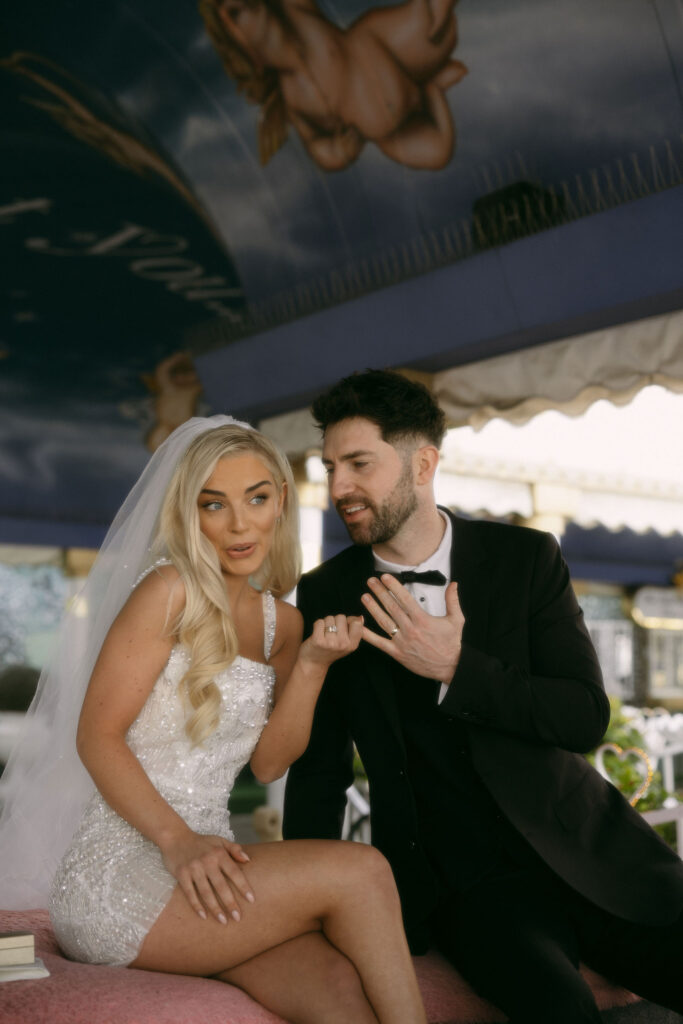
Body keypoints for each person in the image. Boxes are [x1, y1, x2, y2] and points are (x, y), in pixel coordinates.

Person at [283, 370, 683, 1024]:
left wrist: (456, 668)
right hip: (462, 887)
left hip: (588, 851)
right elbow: (319, 768)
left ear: (423, 462)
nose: (339, 489)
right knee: (557, 1010)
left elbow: (583, 715)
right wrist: (306, 905)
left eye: (358, 464)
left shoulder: (525, 558)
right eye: (329, 468)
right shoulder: (325, 592)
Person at [0, 415, 426, 1024]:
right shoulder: (167, 591)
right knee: (362, 870)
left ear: (281, 499)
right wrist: (178, 844)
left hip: (213, 864)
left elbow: (271, 761)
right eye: (214, 504)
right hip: (124, 872)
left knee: (337, 991)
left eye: (256, 498)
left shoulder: (285, 623)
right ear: (190, 513)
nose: (238, 524)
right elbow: (97, 737)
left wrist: (311, 667)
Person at [200, 0, 467, 170]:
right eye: (234, 13)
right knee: (437, 150)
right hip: (387, 128)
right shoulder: (293, 98)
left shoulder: (296, 10)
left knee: (435, 25)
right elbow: (315, 144)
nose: (243, 4)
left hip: (382, 47)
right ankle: (431, 89)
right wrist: (338, 151)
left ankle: (427, 71)